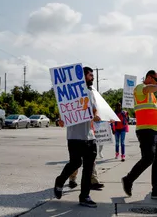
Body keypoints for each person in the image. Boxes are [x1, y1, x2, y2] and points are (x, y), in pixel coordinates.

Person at [54, 67, 102, 208]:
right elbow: (64, 112)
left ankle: (84, 196)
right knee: (75, 164)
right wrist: (60, 120)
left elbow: (94, 110)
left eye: (93, 75)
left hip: (90, 136)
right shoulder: (70, 94)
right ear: (82, 77)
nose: (92, 77)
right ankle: (60, 181)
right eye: (90, 75)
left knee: (88, 168)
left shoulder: (91, 93)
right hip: (74, 136)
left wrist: (96, 116)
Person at [121, 70, 157, 200]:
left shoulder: (152, 96)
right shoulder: (140, 88)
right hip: (145, 130)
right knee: (148, 158)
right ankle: (128, 179)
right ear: (149, 78)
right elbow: (148, 88)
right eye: (156, 80)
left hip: (156, 131)